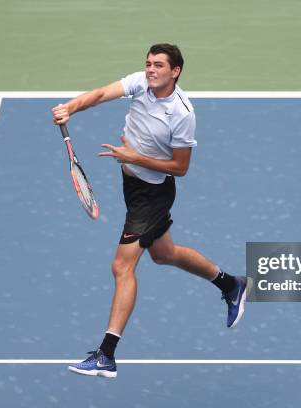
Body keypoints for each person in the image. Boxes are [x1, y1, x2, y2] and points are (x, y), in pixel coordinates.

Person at [51, 44, 247, 379]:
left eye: (158, 65)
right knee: (164, 253)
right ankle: (231, 284)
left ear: (176, 71)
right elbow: (100, 94)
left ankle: (106, 355)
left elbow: (180, 168)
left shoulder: (183, 113)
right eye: (148, 64)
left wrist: (133, 157)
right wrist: (70, 107)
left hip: (153, 194)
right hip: (132, 184)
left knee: (121, 266)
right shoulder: (139, 83)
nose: (151, 69)